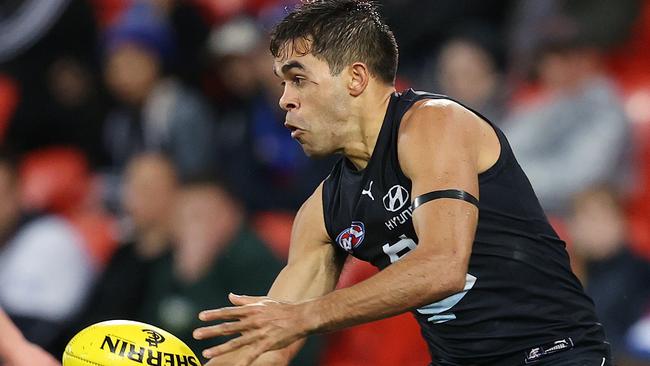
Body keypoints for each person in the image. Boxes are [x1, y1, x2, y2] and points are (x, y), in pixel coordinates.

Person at [193, 1, 611, 365]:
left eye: (298, 78)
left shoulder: (435, 123)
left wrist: (305, 316)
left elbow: (443, 267)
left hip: (553, 353)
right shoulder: (322, 212)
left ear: (355, 79)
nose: (284, 97)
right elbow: (270, 343)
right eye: (283, 82)